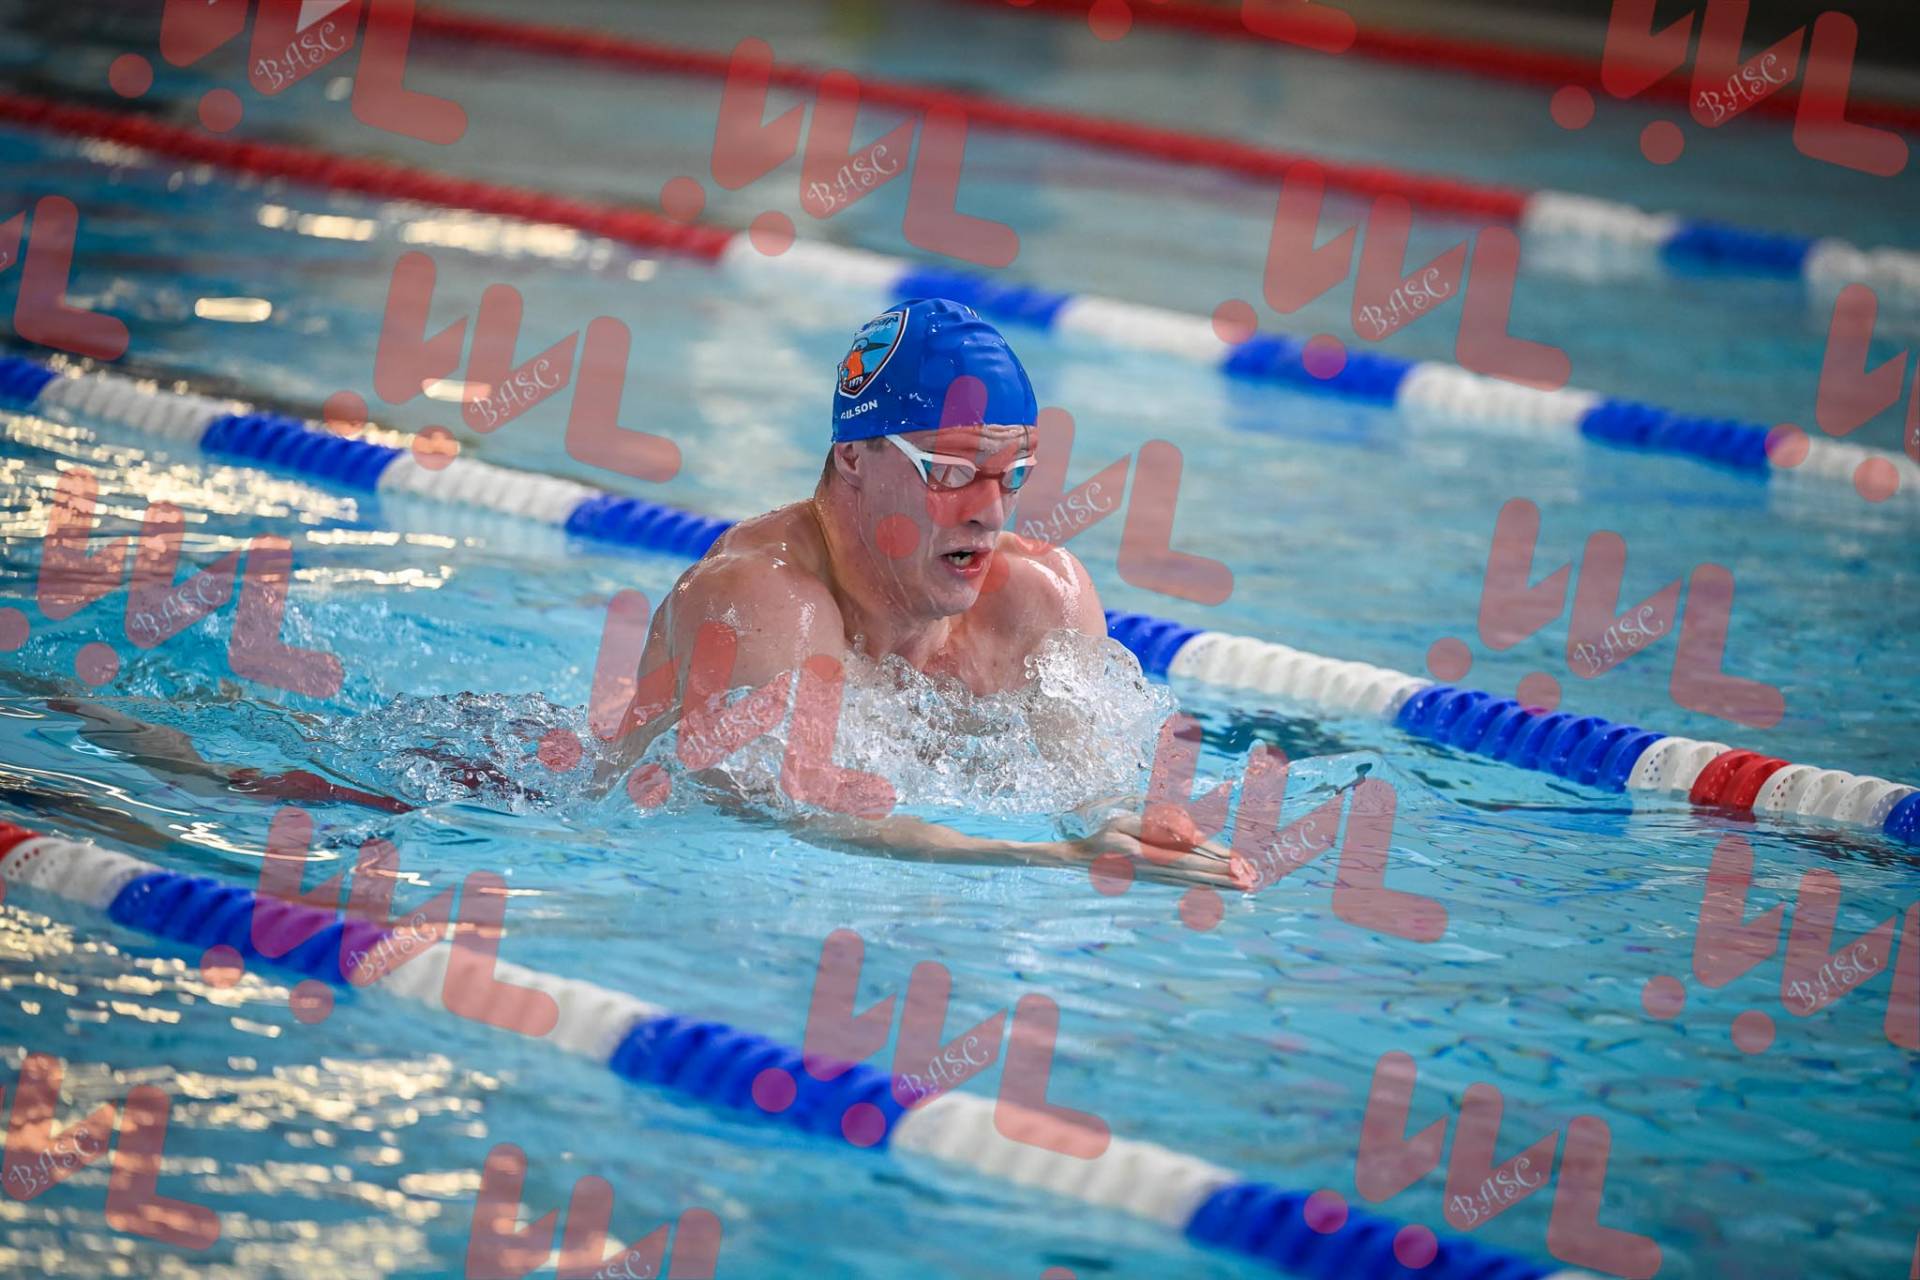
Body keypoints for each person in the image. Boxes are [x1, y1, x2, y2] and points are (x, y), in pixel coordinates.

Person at [599, 299, 1250, 891]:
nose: (990, 512)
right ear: (854, 457)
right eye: (952, 471)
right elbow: (796, 813)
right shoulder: (764, 598)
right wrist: (1049, 857)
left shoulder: (1040, 599)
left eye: (1013, 474)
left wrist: (1118, 825)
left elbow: (1089, 787)